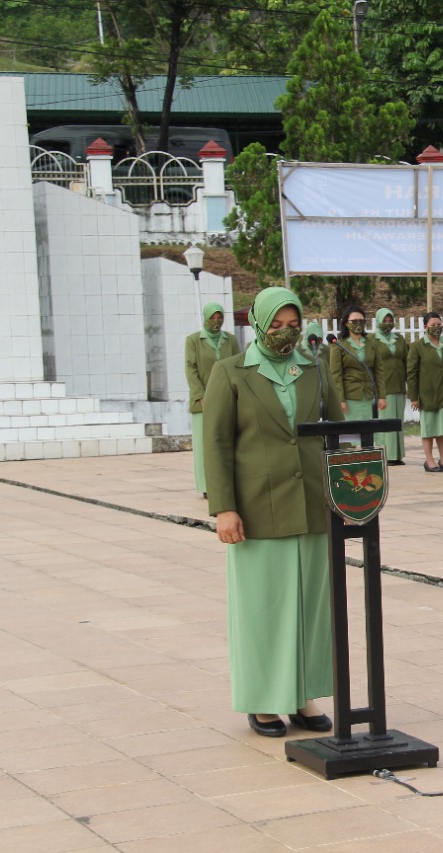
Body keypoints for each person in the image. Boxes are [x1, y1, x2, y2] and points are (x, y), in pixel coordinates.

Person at [203, 286, 340, 738]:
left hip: (311, 508)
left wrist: (345, 497)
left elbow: (337, 434)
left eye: (293, 325)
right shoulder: (231, 373)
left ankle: (303, 695)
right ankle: (264, 699)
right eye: (277, 326)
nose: (286, 334)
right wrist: (224, 508)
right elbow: (218, 444)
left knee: (310, 608)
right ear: (259, 324)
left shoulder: (315, 371)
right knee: (264, 608)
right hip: (257, 511)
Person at [185, 302, 239, 498]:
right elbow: (191, 370)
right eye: (212, 317)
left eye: (219, 317)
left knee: (228, 441)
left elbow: (238, 366)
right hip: (203, 402)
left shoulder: (230, 340)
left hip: (226, 399)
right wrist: (200, 395)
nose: (216, 321)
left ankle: (229, 482)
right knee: (204, 444)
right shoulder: (193, 341)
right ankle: (207, 485)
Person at [406, 311, 443, 472]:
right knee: (429, 429)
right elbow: (411, 373)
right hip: (427, 393)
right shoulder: (417, 346)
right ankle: (429, 461)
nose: (436, 328)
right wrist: (414, 396)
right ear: (425, 327)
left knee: (442, 428)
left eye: (439, 324)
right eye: (432, 325)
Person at [366, 308, 408, 466]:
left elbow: (406, 361)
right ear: (378, 321)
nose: (388, 323)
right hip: (382, 387)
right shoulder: (371, 340)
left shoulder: (399, 339)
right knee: (384, 422)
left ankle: (397, 455)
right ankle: (385, 454)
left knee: (398, 421)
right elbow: (369, 364)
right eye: (385, 320)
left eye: (390, 320)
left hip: (398, 386)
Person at [330, 304, 376, 426]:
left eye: (361, 321)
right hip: (350, 397)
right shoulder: (339, 345)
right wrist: (340, 399)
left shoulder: (371, 343)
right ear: (346, 323)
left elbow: (379, 370)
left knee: (369, 434)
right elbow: (336, 375)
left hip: (368, 395)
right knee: (353, 434)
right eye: (354, 321)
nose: (358, 324)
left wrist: (381, 395)